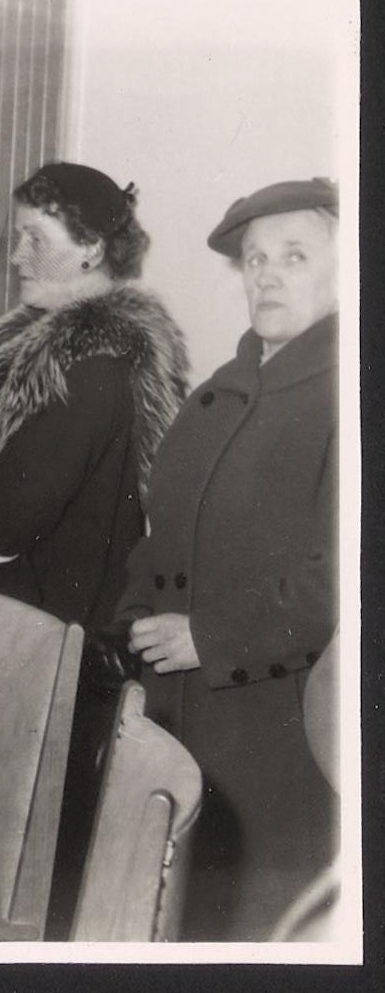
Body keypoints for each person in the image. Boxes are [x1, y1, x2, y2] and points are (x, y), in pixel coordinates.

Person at [0, 162, 190, 935]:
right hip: (14, 619)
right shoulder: (52, 350)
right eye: (15, 234)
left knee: (8, 856)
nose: (15, 254)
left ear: (90, 247)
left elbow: (15, 506)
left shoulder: (94, 365)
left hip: (43, 630)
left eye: (34, 236)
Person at [117, 177, 340, 940]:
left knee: (251, 929)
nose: (267, 275)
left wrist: (208, 636)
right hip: (177, 715)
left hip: (278, 732)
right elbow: (163, 531)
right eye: (254, 259)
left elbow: (342, 580)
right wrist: (133, 621)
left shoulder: (346, 396)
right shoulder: (220, 390)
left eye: (294, 256)